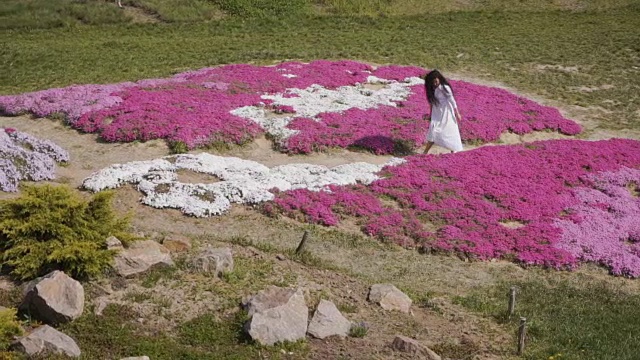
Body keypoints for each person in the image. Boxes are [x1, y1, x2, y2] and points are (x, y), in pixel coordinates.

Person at [422, 69, 463, 154]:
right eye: (433, 82)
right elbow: (432, 104)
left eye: (436, 81)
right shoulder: (433, 89)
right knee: (433, 131)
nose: (435, 83)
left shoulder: (445, 88)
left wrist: (457, 113)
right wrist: (430, 115)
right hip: (437, 113)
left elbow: (452, 100)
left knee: (450, 132)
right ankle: (425, 152)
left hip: (446, 113)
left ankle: (454, 151)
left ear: (439, 78)